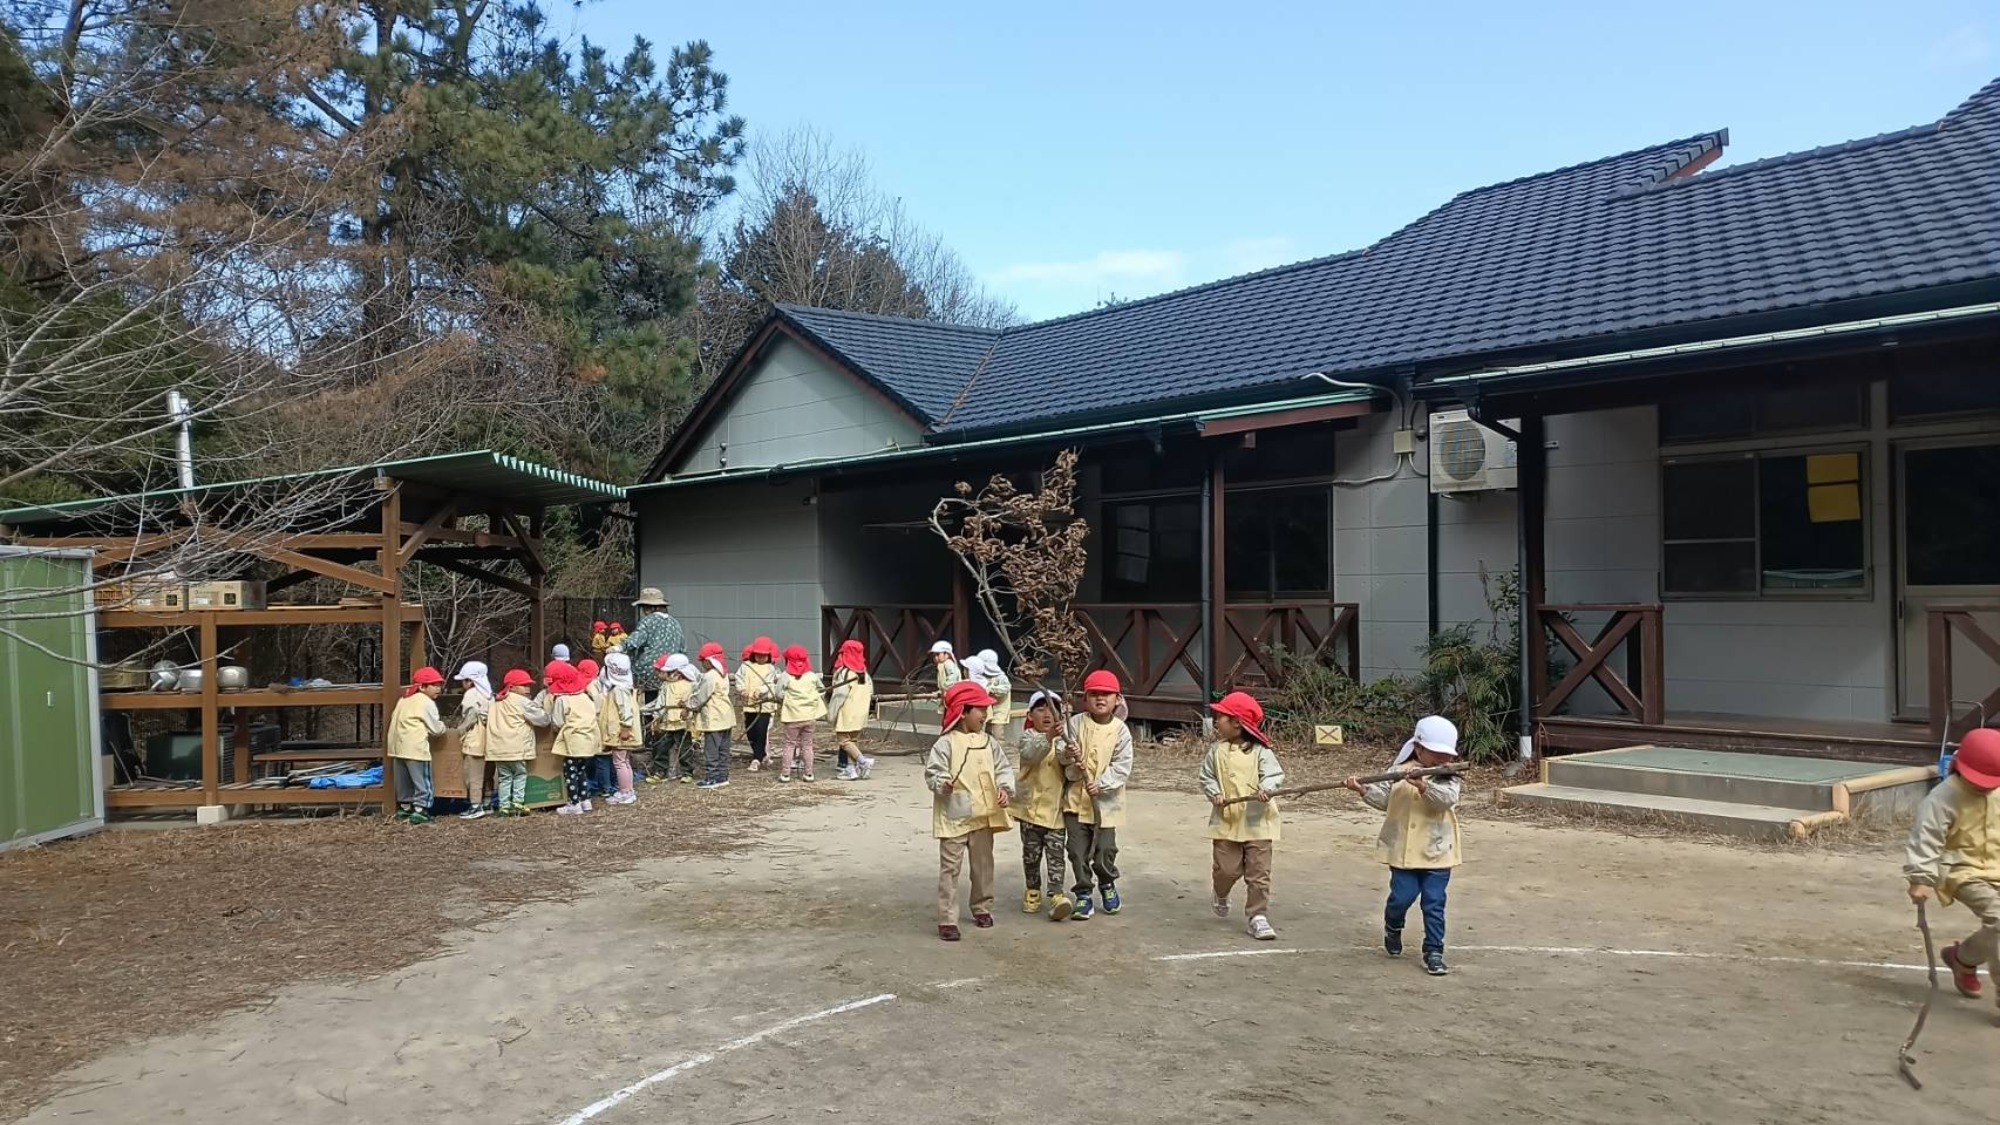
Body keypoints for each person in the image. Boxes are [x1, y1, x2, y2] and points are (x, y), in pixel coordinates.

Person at [1346, 715, 1463, 977]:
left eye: (1446, 754)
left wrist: (1422, 785)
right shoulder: (1398, 771)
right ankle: (1393, 925)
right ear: (1418, 748)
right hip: (1403, 851)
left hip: (1437, 852)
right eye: (1435, 752)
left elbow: (1445, 801)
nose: (1443, 758)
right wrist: (1362, 790)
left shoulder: (1449, 777)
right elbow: (1385, 801)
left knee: (1434, 903)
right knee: (1402, 897)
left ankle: (1434, 951)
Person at [1904, 726, 2000, 1004]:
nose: (1986, 787)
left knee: (1997, 926)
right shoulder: (1943, 798)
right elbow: (1927, 838)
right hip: (1962, 870)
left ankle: (1963, 959)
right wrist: (1921, 877)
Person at [927, 680, 1015, 942]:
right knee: (950, 869)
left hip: (984, 813)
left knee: (983, 866)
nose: (985, 714)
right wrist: (943, 784)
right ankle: (947, 918)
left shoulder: (989, 742)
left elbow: (1003, 769)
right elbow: (933, 773)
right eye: (980, 709)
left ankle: (982, 907)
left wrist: (1004, 788)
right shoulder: (945, 743)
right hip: (955, 814)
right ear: (963, 711)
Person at [1201, 691, 1285, 941]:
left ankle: (1257, 916)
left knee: (1259, 873)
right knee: (1226, 870)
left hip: (1258, 822)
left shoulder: (1262, 752)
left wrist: (1266, 789)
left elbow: (1273, 775)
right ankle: (1221, 891)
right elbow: (1206, 777)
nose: (1217, 721)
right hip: (1226, 821)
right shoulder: (1216, 751)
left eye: (1221, 717)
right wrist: (1215, 793)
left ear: (1236, 723)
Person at [1062, 669, 1134, 920]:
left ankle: (1106, 881)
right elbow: (1062, 755)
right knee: (1077, 850)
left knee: (1105, 849)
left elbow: (1122, 765)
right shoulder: (1075, 723)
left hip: (1106, 803)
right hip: (1075, 800)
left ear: (1117, 699)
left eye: (1106, 694)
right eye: (1094, 694)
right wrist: (1070, 757)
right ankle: (1083, 892)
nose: (1100, 699)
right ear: (1085, 699)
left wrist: (1101, 784)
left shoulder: (1120, 730)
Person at [1014, 690, 1072, 921]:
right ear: (1030, 715)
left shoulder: (1064, 739)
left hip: (1055, 810)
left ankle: (1056, 893)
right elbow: (1031, 755)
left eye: (1053, 710)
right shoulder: (1027, 737)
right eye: (1041, 709)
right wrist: (1048, 737)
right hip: (1029, 810)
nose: (1047, 714)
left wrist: (1071, 753)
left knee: (1056, 855)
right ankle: (1032, 889)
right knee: (1031, 855)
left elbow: (1068, 765)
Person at [387, 666, 447, 824]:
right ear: (422, 687)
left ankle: (405, 808)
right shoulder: (426, 702)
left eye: (439, 685)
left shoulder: (404, 699)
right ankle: (421, 810)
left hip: (397, 747)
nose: (438, 689)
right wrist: (443, 727)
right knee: (422, 780)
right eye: (434, 685)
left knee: (403, 781)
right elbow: (436, 729)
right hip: (415, 748)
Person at [543, 659, 602, 814]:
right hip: (589, 739)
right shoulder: (585, 696)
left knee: (570, 772)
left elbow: (558, 722)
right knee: (581, 770)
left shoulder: (562, 699)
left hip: (573, 741)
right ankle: (585, 800)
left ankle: (573, 803)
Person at [486, 669, 545, 816]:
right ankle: (518, 803)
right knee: (520, 774)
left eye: (528, 685)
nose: (527, 688)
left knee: (504, 778)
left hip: (498, 749)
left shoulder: (495, 702)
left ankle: (503, 806)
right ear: (512, 687)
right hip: (517, 747)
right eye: (524, 685)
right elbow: (542, 719)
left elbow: (483, 716)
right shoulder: (522, 702)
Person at [776, 644, 827, 782]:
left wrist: (786, 697)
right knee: (807, 745)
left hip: (792, 717)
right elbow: (822, 690)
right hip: (809, 716)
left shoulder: (785, 676)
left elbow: (778, 693)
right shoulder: (812, 676)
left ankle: (785, 774)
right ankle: (809, 773)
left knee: (789, 744)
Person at [646, 654, 699, 784]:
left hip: (683, 723)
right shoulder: (665, 685)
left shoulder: (690, 684)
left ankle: (687, 772)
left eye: (671, 672)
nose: (669, 675)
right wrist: (656, 718)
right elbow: (661, 703)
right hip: (667, 723)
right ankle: (660, 771)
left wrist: (687, 707)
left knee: (684, 748)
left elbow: (695, 700)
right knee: (662, 748)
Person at [690, 642, 736, 790]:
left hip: (714, 717)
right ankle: (723, 775)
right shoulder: (724, 674)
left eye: (703, 661)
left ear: (709, 661)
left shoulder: (709, 676)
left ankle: (712, 777)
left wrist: (689, 705)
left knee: (711, 750)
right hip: (726, 716)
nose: (702, 664)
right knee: (724, 749)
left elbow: (701, 696)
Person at [829, 639, 875, 781]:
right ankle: (851, 770)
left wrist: (831, 715)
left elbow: (838, 697)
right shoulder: (864, 674)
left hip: (847, 713)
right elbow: (870, 692)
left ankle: (863, 762)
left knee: (844, 741)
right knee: (853, 741)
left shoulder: (844, 673)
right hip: (861, 713)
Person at [452, 660, 494, 820]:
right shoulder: (489, 694)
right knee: (488, 774)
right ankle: (487, 803)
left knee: (473, 776)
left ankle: (475, 806)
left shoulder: (471, 694)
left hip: (475, 739)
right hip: (489, 740)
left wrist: (460, 731)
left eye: (463, 680)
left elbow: (470, 716)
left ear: (470, 681)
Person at [599, 652, 642, 805]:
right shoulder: (625, 688)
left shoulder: (619, 690)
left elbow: (625, 711)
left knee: (619, 762)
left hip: (620, 733)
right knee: (624, 761)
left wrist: (625, 728)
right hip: (622, 731)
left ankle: (625, 792)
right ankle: (628, 790)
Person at [734, 637, 782, 772]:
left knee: (761, 731)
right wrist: (742, 689)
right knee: (751, 732)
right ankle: (761, 754)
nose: (761, 658)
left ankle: (757, 759)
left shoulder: (770, 668)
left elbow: (770, 684)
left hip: (764, 706)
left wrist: (760, 691)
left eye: (764, 655)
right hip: (749, 704)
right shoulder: (746, 666)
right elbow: (739, 678)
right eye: (758, 655)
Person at [975, 648, 1012, 740]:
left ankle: (999, 748)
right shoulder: (981, 677)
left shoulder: (1001, 677)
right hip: (986, 710)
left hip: (999, 710)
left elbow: (1005, 689)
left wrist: (991, 689)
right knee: (984, 734)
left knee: (997, 735)